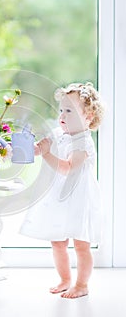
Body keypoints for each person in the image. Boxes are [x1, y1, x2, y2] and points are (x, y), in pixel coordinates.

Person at [20, 82, 105, 299]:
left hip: (79, 197)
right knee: (58, 242)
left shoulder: (84, 142)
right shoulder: (59, 133)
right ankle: (65, 279)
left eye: (69, 110)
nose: (62, 115)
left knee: (81, 245)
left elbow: (68, 168)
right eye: (61, 110)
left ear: (88, 116)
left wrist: (48, 154)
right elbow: (42, 148)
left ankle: (82, 284)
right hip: (60, 196)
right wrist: (33, 148)